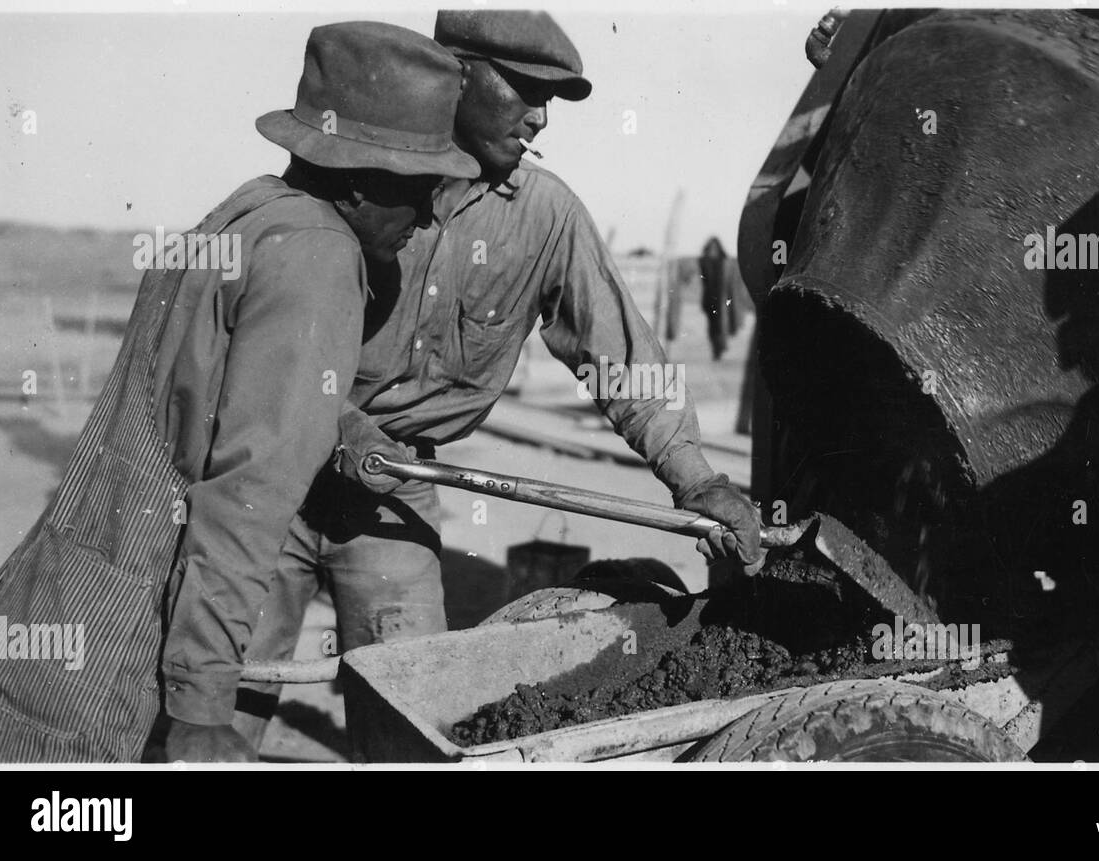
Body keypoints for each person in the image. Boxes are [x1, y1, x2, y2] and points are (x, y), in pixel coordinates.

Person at [230, 10, 765, 755]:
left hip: (391, 495)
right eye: (525, 89)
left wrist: (697, 480)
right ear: (458, 71)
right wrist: (342, 425)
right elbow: (254, 336)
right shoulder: (352, 172)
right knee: (218, 698)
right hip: (272, 476)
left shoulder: (545, 216)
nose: (542, 117)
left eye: (554, 99)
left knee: (415, 718)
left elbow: (622, 358)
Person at [0, 21, 478, 763]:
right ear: (357, 175)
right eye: (421, 188)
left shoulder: (251, 212)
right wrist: (204, 706)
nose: (431, 216)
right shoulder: (321, 256)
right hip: (122, 649)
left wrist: (336, 423)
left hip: (53, 600)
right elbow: (244, 502)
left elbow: (208, 382)